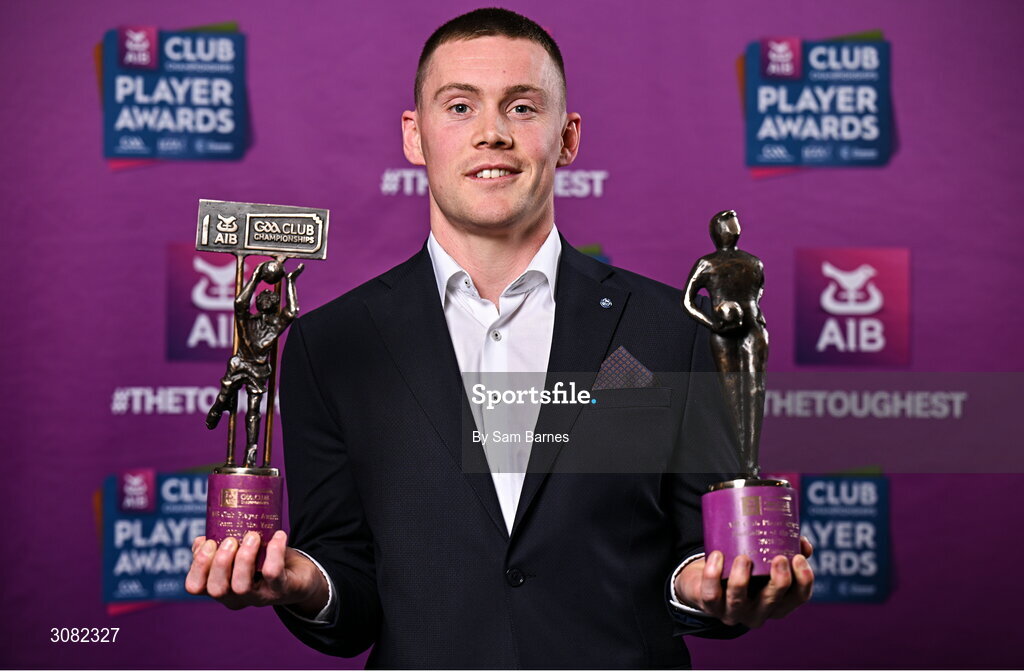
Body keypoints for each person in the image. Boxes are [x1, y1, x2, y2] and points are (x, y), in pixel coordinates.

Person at [186, 9, 813, 668]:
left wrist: (713, 589)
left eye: (521, 108)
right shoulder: (330, 345)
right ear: (415, 135)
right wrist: (303, 583)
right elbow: (349, 593)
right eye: (459, 106)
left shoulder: (673, 331)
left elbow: (700, 558)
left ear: (567, 138)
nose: (492, 133)